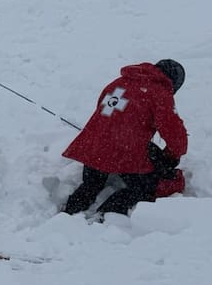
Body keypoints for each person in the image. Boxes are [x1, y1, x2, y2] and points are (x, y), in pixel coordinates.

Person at [61, 60, 187, 216]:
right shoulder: (159, 93)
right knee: (142, 188)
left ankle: (67, 214)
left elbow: (105, 113)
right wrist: (172, 156)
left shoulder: (118, 83)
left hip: (94, 147)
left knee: (91, 184)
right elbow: (176, 135)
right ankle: (105, 216)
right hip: (126, 153)